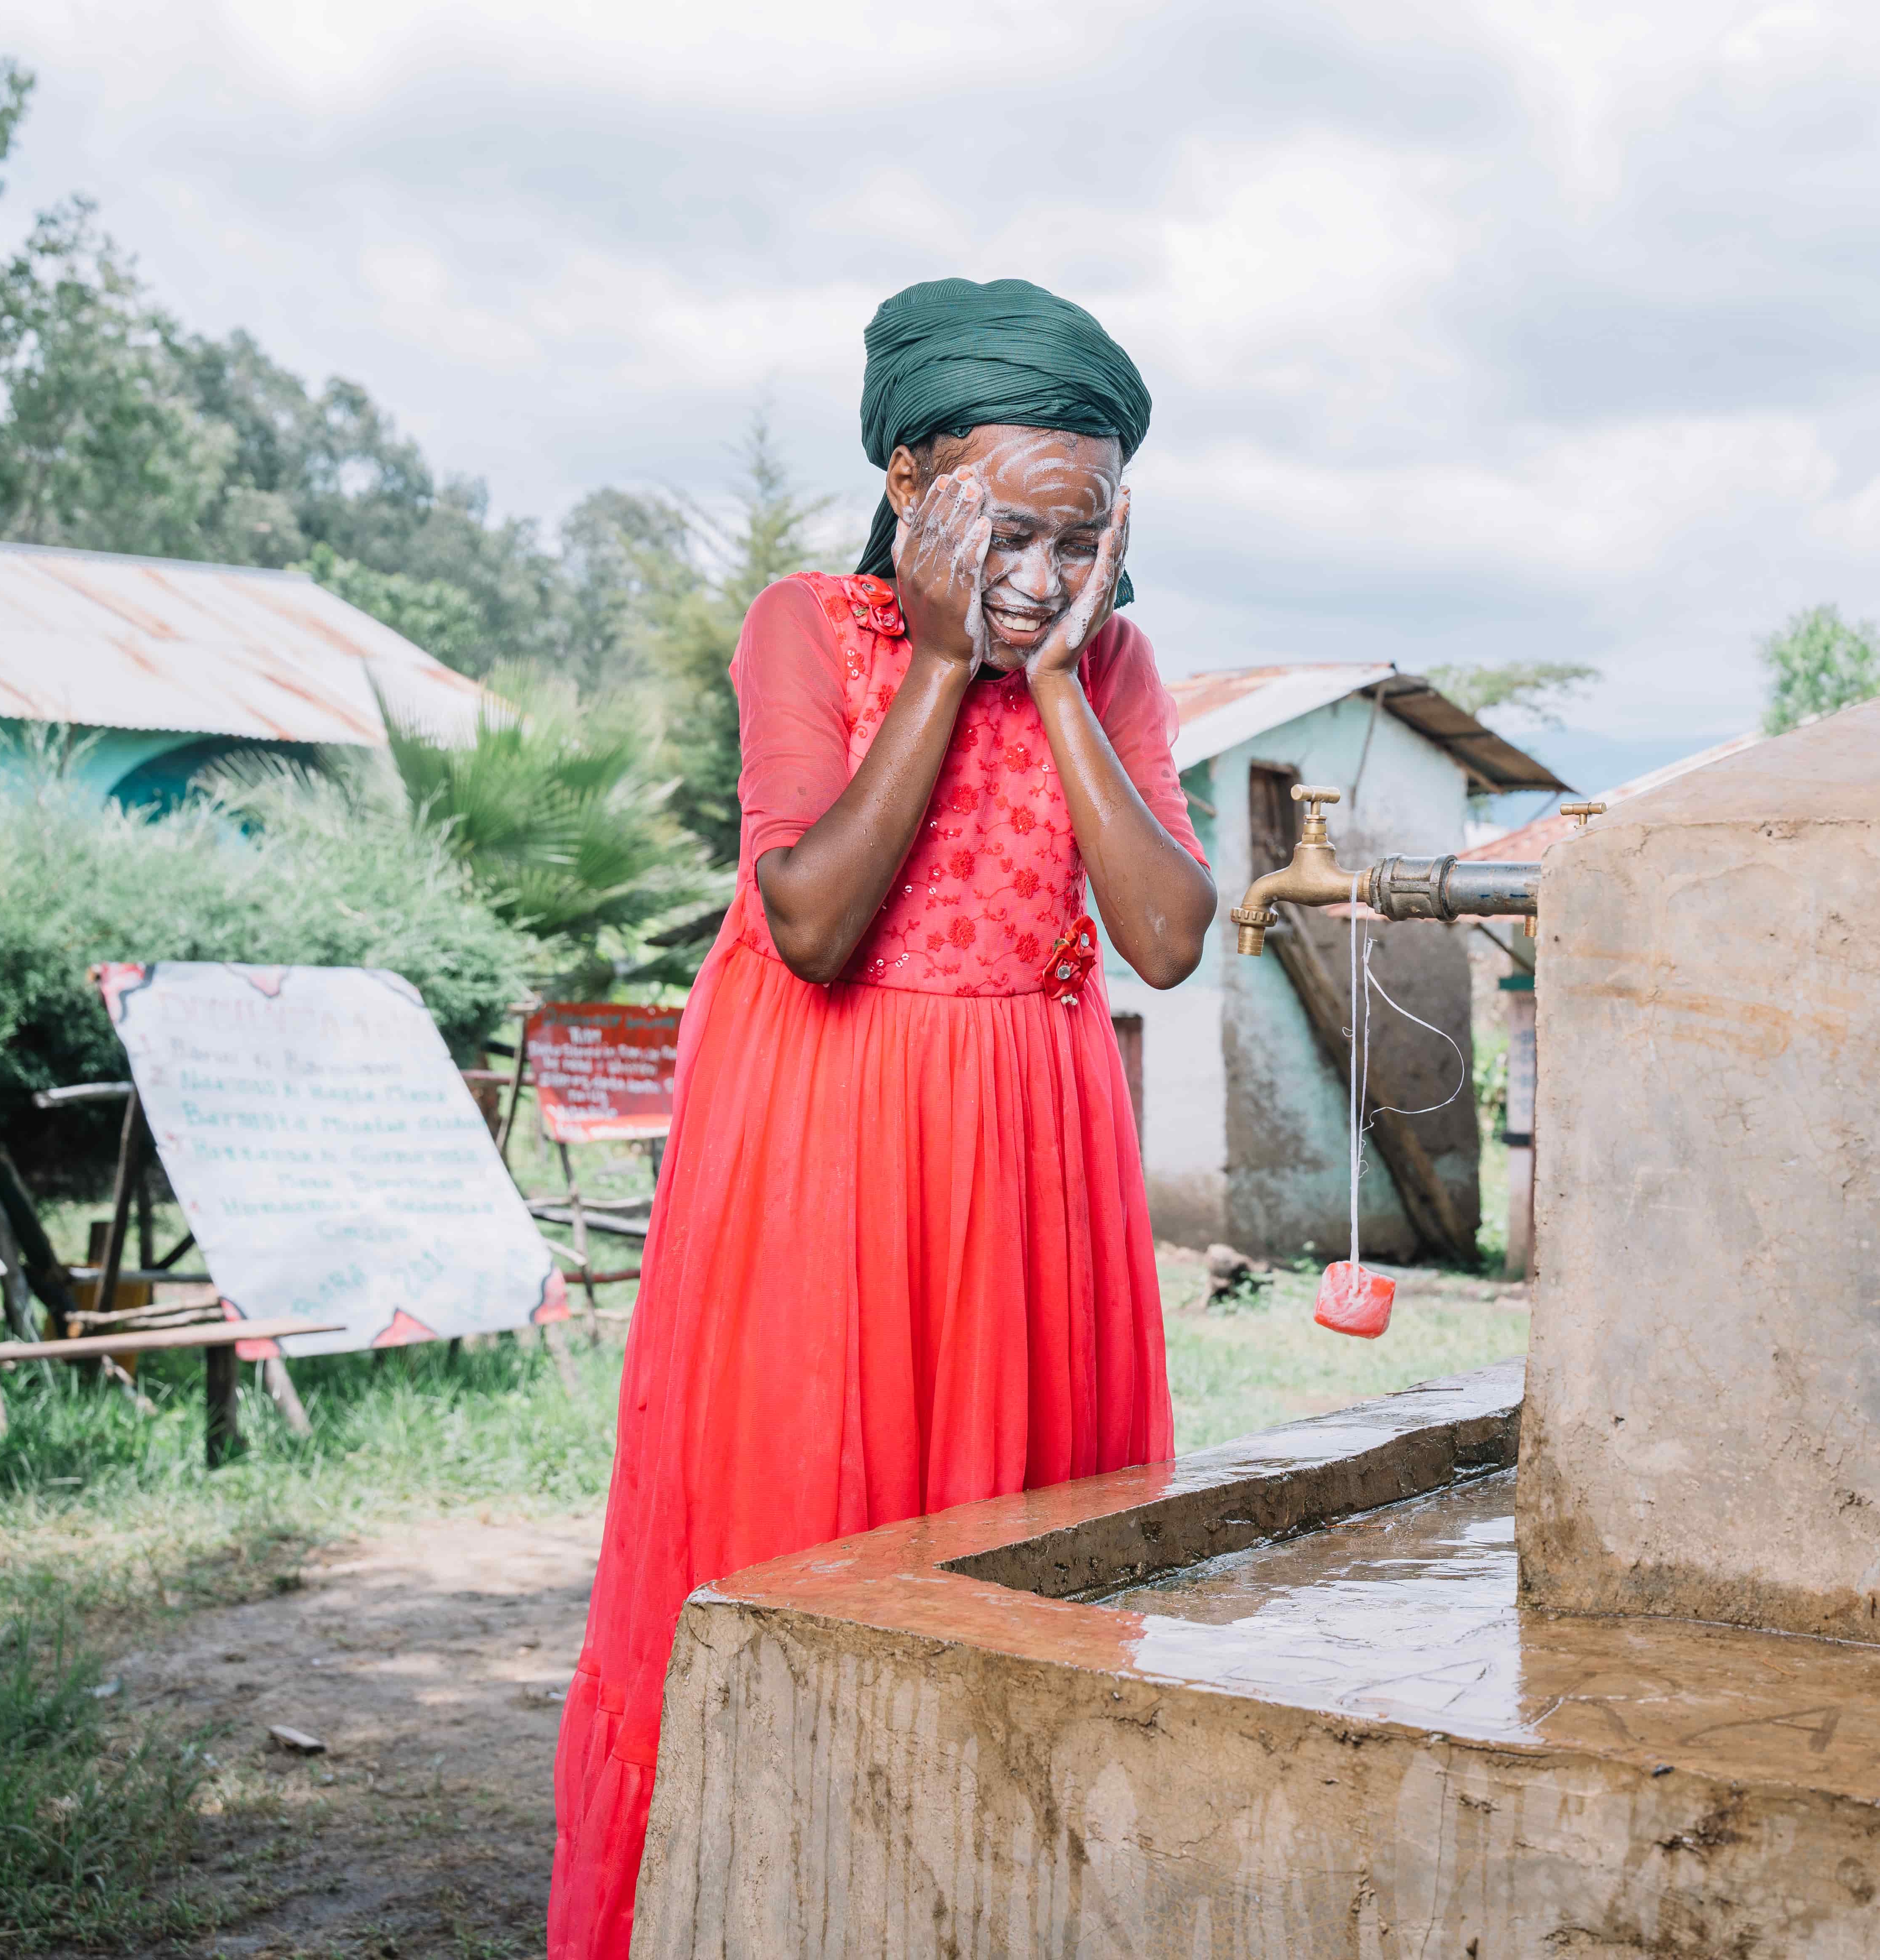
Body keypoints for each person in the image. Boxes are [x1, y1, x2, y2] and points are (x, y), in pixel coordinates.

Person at [546, 278, 1215, 1960]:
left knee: (1024, 1580)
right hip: (828, 1162)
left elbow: (1166, 935)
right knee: (817, 1551)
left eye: (1084, 540)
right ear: (913, 486)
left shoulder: (1113, 666)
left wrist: (1058, 685)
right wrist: (937, 665)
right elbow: (818, 923)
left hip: (1035, 1168)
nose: (1044, 581)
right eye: (1009, 536)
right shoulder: (805, 628)